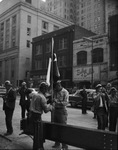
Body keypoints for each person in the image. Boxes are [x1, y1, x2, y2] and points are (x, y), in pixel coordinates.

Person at [29, 82, 53, 150]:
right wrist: (51, 106)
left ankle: (36, 147)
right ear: (44, 89)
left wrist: (47, 102)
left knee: (36, 133)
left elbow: (39, 104)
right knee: (39, 133)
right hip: (37, 116)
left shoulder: (35, 95)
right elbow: (46, 110)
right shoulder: (42, 97)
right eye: (46, 89)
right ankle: (38, 147)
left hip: (32, 115)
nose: (47, 91)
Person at [52, 80, 69, 150]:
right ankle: (57, 143)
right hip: (55, 110)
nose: (55, 88)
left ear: (59, 85)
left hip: (62, 111)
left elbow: (66, 102)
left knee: (62, 128)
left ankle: (64, 146)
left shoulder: (65, 92)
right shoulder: (55, 91)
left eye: (56, 86)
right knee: (56, 128)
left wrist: (57, 102)